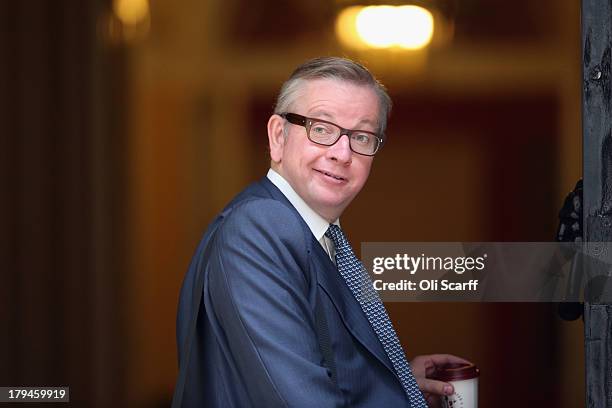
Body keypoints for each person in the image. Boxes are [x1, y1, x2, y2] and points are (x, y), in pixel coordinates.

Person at [174, 57, 468, 408]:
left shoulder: (320, 236)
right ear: (278, 135)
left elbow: (325, 368)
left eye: (361, 136)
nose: (342, 153)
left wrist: (397, 384)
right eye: (322, 128)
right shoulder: (260, 227)